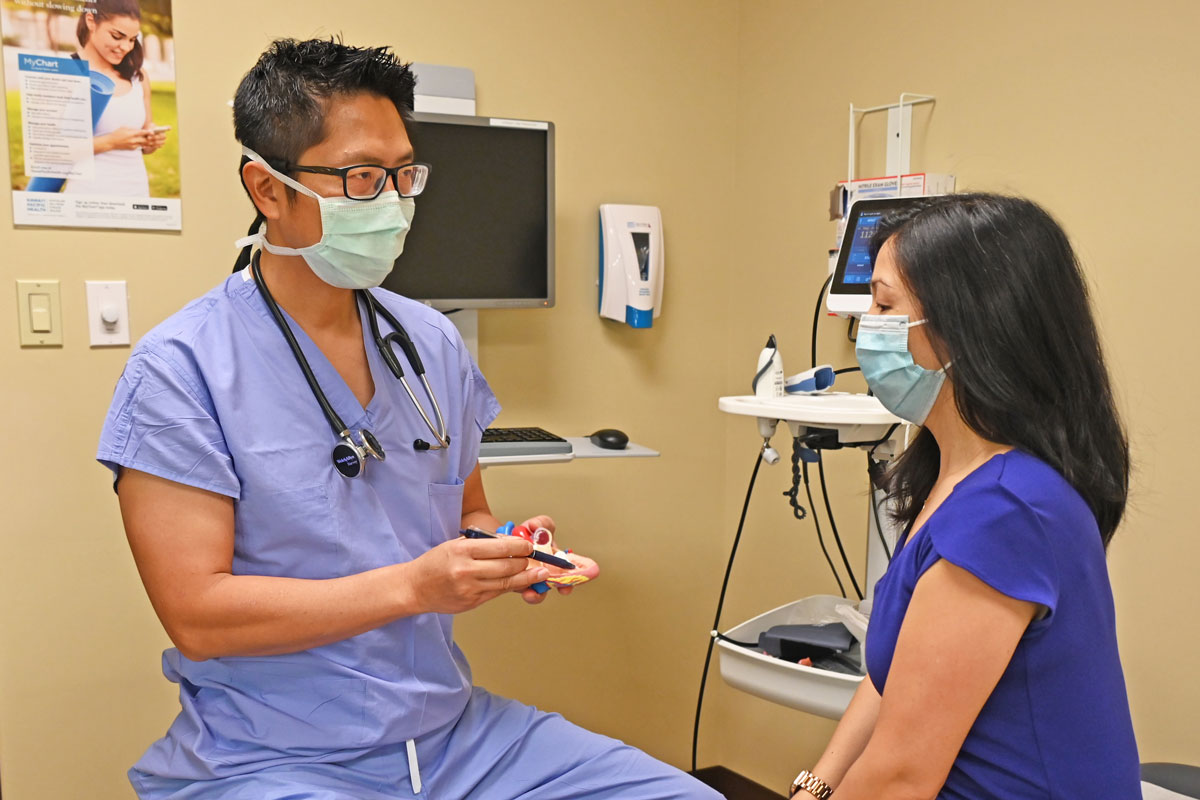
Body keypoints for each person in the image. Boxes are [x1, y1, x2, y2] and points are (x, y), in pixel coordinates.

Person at [97, 38, 720, 800]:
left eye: (403, 174)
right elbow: (199, 616)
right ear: (267, 189)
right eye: (363, 177)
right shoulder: (180, 369)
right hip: (274, 756)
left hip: (460, 739)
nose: (393, 203)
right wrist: (416, 587)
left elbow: (468, 513)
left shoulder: (430, 342)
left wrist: (503, 551)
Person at [787, 194, 1140, 799]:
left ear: (964, 326)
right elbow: (894, 672)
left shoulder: (1005, 511)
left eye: (884, 303)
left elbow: (900, 777)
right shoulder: (950, 477)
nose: (864, 323)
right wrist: (814, 787)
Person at [64, 0, 165, 197]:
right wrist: (111, 142)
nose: (125, 47)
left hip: (136, 193)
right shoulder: (67, 72)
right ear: (91, 21)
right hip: (86, 196)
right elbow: (53, 151)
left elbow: (145, 136)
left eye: (132, 39)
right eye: (117, 36)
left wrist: (150, 142)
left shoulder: (138, 76)